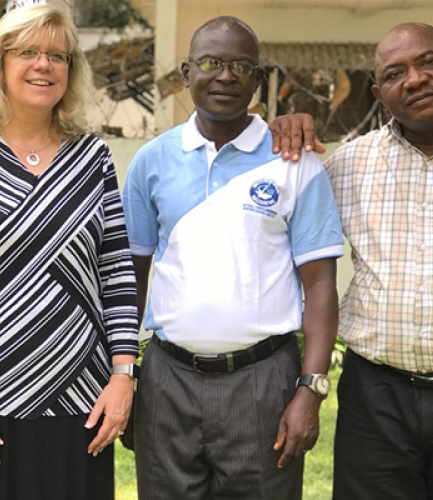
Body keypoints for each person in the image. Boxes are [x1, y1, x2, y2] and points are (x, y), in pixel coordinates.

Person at [0, 4, 139, 500]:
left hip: (80, 408)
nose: (44, 65)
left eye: (58, 56)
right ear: (0, 63)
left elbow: (117, 275)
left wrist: (123, 378)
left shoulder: (93, 160)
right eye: (28, 52)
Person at [121, 17, 343, 500]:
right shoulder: (151, 161)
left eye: (241, 66)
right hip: (167, 379)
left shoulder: (295, 161)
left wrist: (310, 389)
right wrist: (123, 377)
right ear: (186, 72)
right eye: (210, 63)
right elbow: (130, 281)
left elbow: (320, 285)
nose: (225, 76)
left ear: (257, 79)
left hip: (262, 383)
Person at [270, 22, 433, 500]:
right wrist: (277, 128)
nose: (414, 79)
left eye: (429, 62)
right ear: (379, 94)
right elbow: (273, 222)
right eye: (394, 74)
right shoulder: (348, 165)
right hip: (376, 402)